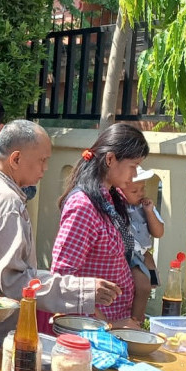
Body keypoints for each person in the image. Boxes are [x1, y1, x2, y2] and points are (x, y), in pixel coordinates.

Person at [0, 120, 122, 341]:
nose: (45, 168)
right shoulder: (5, 201)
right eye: (42, 161)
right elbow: (15, 282)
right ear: (16, 159)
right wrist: (82, 290)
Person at [52, 123, 150, 329]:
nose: (134, 176)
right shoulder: (83, 205)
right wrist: (109, 325)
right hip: (91, 332)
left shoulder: (111, 199)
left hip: (115, 323)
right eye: (133, 166)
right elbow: (63, 279)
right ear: (110, 159)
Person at [121, 166, 164, 322]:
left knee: (151, 282)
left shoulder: (145, 207)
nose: (140, 193)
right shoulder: (118, 208)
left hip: (144, 254)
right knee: (143, 286)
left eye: (143, 189)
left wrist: (149, 212)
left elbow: (158, 232)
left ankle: (140, 315)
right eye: (134, 191)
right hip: (129, 254)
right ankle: (136, 320)